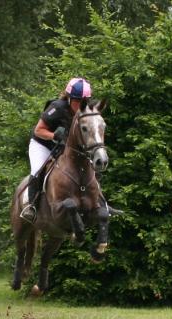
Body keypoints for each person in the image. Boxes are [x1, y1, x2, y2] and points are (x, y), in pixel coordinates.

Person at [21, 77, 122, 222]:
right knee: (38, 168)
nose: (80, 105)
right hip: (43, 144)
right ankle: (31, 206)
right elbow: (38, 130)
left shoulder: (87, 111)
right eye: (77, 101)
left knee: (90, 166)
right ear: (69, 99)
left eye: (84, 101)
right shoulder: (57, 108)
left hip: (65, 146)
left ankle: (101, 203)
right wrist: (54, 135)